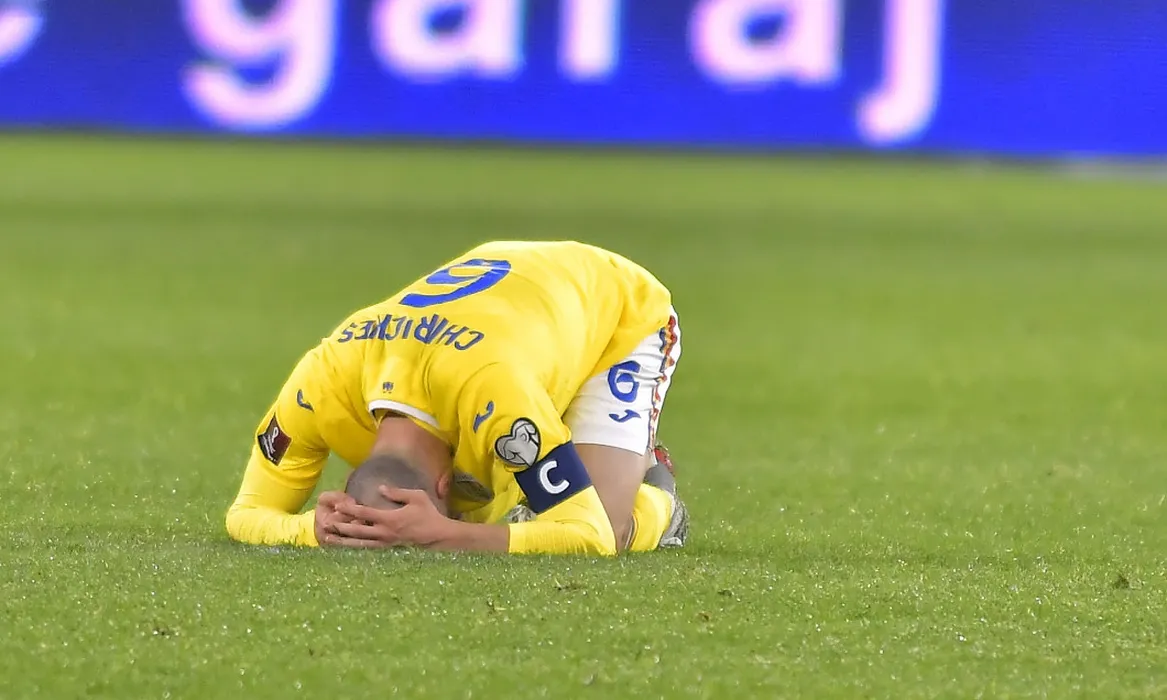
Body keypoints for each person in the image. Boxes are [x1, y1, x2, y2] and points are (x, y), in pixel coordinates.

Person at [225, 240, 687, 555]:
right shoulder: (319, 384)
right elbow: (245, 513)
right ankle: (578, 465)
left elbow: (590, 536)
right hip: (513, 309)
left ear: (447, 485)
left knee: (611, 527)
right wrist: (310, 529)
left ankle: (659, 495)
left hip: (615, 307)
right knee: (528, 525)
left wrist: (447, 533)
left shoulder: (494, 395)